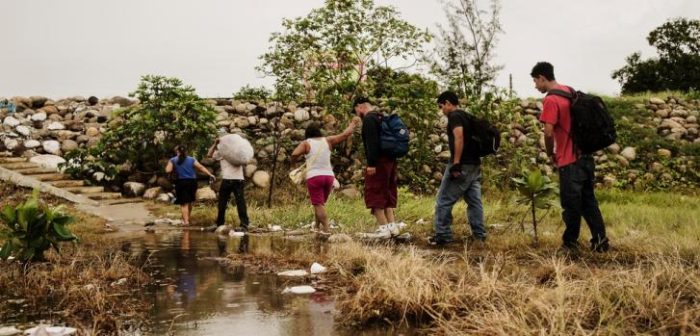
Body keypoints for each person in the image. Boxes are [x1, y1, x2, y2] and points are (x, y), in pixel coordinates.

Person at [530, 61, 610, 253]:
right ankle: (600, 241)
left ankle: (570, 244)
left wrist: (550, 153)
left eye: (535, 81)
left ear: (542, 77)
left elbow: (548, 132)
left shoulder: (550, 100)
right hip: (586, 158)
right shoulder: (570, 91)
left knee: (571, 205)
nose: (535, 86)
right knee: (589, 202)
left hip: (569, 161)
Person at [429, 91, 487, 246]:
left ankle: (443, 236)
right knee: (474, 201)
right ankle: (479, 236)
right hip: (474, 164)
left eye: (441, 106)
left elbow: (459, 137)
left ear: (448, 103)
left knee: (443, 200)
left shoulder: (455, 116)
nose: (442, 110)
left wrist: (456, 163)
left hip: (462, 164)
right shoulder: (467, 116)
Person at [291, 119, 360, 234]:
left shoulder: (306, 143)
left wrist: (294, 162)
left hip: (314, 177)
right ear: (319, 132)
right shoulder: (328, 140)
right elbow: (345, 134)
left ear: (307, 133)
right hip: (329, 177)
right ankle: (317, 226)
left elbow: (294, 153)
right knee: (320, 203)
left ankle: (326, 229)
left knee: (318, 204)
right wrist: (353, 123)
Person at [352, 96, 399, 231]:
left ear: (360, 106)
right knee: (386, 193)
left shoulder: (369, 119)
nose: (357, 114)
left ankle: (384, 229)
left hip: (378, 163)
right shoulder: (381, 117)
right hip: (390, 161)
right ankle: (392, 227)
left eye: (356, 111)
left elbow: (372, 143)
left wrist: (371, 164)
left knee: (374, 194)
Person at [207, 136, 250, 231]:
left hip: (233, 180)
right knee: (231, 203)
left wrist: (215, 144)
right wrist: (215, 144)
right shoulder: (225, 153)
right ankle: (243, 224)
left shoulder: (226, 153)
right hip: (233, 180)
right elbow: (209, 155)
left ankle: (242, 224)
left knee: (234, 203)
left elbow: (209, 154)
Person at [165, 145, 216, 226]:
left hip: (181, 182)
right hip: (192, 182)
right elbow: (201, 167)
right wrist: (210, 174)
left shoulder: (173, 160)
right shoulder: (192, 159)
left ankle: (186, 222)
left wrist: (171, 166)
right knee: (189, 201)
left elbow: (168, 170)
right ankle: (186, 219)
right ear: (186, 151)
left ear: (177, 152)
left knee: (183, 203)